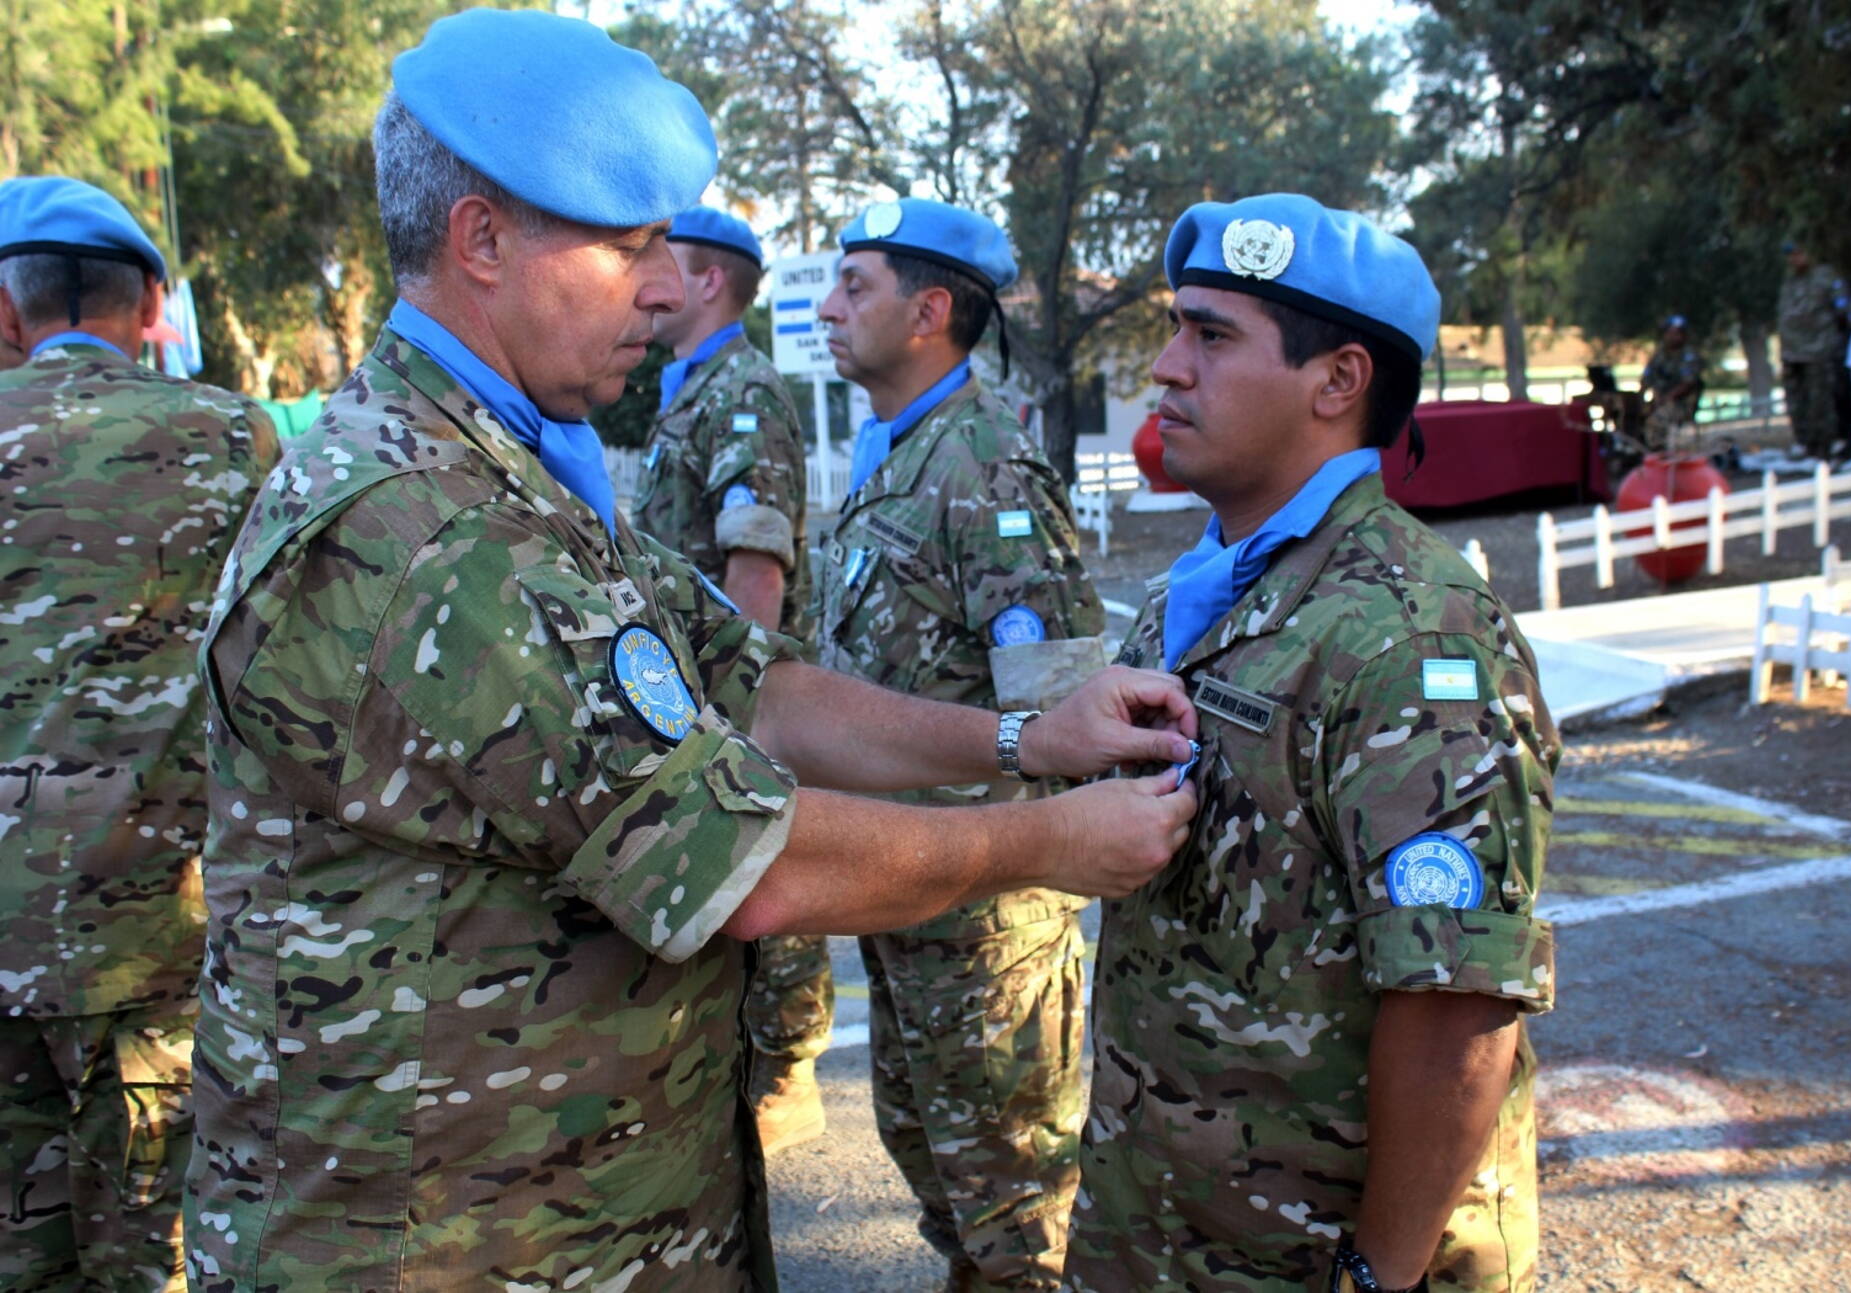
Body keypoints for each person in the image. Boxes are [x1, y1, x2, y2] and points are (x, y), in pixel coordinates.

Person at [181, 11, 1198, 1292]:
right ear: (479, 240)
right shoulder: (415, 530)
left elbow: (757, 688)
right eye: (626, 245)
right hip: (439, 1244)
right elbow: (747, 867)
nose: (669, 289)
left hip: (578, 1222)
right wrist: (1046, 841)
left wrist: (1020, 737)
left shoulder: (513, 477)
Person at [1065, 194, 1562, 1292]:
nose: (1164, 369)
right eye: (1173, 329)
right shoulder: (1191, 597)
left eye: (1208, 335)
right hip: (1164, 1221)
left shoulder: (1413, 633)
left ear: (1337, 382)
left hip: (1312, 1253)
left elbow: (1453, 1002)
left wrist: (1376, 1275)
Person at [813, 197, 1108, 1291]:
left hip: (987, 929)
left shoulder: (982, 469)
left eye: (856, 287)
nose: (828, 309)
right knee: (938, 1171)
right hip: (900, 888)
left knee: (1015, 1203)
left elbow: (1061, 715)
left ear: (930, 311)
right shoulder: (894, 454)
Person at [0, 176, 279, 1291]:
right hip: (166, 949)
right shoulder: (230, 438)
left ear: (5, 313)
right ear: (152, 306)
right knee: (161, 1259)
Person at [631, 204, 830, 1152]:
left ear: (711, 281)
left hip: (726, 699)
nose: (649, 284)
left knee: (762, 865)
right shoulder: (693, 389)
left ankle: (785, 1070)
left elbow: (757, 571)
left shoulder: (740, 392)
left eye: (665, 263)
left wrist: (729, 729)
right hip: (695, 692)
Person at [1777, 242, 1848, 460]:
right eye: (1790, 255)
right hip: (1792, 352)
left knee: (1821, 401)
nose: (1794, 259)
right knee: (1796, 401)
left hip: (1819, 350)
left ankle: (1826, 446)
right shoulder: (1790, 282)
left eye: (1798, 253)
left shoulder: (1826, 277)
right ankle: (1804, 443)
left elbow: (1842, 311)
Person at [1637, 314, 1703, 450]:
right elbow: (1646, 379)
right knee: (1632, 417)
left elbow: (1688, 383)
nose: (1672, 336)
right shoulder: (1660, 355)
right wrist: (1641, 400)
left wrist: (1666, 398)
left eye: (1677, 333)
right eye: (1669, 332)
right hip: (1659, 402)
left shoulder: (1689, 356)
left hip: (1681, 406)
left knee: (1655, 422)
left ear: (1683, 335)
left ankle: (1658, 456)